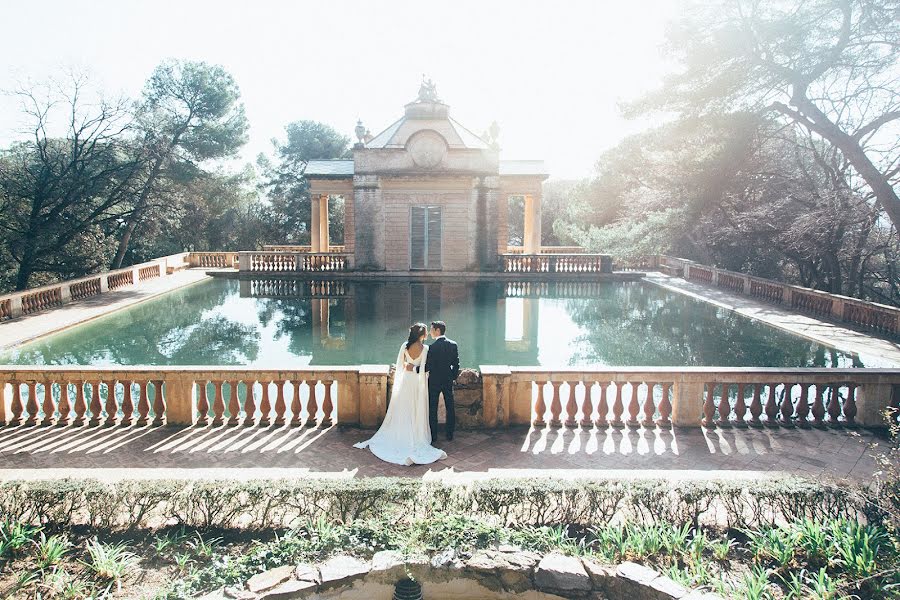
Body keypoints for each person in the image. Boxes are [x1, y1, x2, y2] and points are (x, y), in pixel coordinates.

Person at [353, 323, 447, 465]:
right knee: (415, 407)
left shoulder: (404, 346)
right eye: (426, 332)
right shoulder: (426, 349)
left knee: (403, 407)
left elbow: (401, 366)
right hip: (417, 382)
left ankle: (401, 433)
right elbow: (425, 369)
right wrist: (415, 367)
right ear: (421, 335)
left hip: (405, 381)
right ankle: (415, 434)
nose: (427, 334)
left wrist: (408, 366)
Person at [423, 320, 459, 441]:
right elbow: (456, 364)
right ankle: (450, 434)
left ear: (438, 330)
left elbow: (428, 366)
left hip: (434, 381)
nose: (430, 332)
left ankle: (434, 436)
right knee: (450, 406)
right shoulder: (453, 344)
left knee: (432, 408)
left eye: (432, 329)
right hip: (448, 379)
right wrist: (452, 376)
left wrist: (415, 369)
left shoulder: (432, 348)